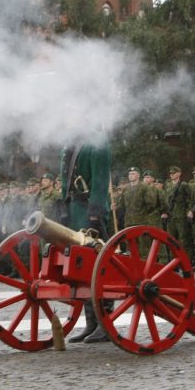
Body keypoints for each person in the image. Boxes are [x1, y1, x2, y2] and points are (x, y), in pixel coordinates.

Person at [61, 139, 114, 343]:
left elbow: (100, 182)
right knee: (83, 269)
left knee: (102, 266)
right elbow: (65, 180)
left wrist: (95, 212)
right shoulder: (69, 146)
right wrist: (64, 208)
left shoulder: (97, 144)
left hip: (90, 210)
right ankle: (91, 323)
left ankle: (105, 322)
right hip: (75, 210)